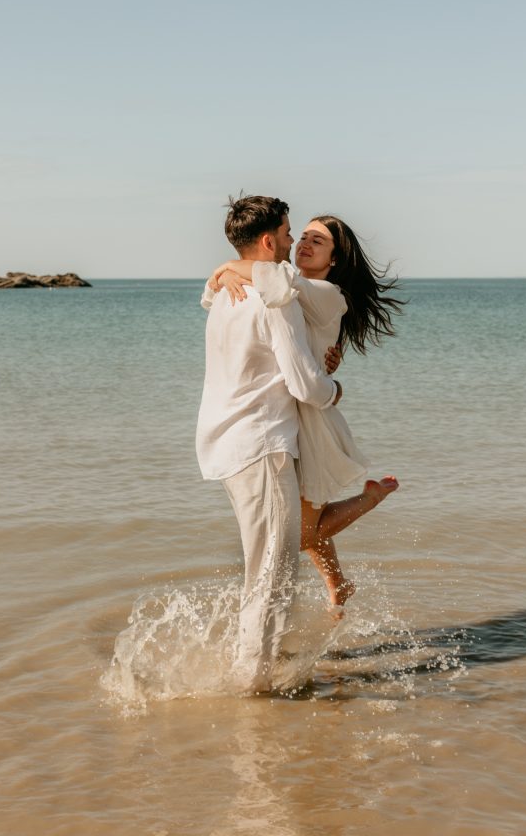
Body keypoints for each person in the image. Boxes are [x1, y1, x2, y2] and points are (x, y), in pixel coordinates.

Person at [208, 214, 404, 613]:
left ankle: (370, 497)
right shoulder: (291, 287)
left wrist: (227, 266)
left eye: (319, 241)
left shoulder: (328, 292)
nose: (305, 244)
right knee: (302, 511)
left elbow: (274, 280)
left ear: (335, 259)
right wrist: (224, 276)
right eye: (305, 237)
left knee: (295, 534)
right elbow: (225, 293)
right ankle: (337, 584)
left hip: (312, 419)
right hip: (288, 413)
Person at [196, 196, 343, 693]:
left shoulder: (222, 295)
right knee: (272, 576)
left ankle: (257, 669)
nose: (290, 242)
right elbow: (305, 384)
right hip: (262, 446)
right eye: (285, 234)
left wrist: (224, 271)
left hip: (227, 446)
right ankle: (252, 690)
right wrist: (335, 389)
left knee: (264, 569)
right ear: (266, 241)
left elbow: (215, 287)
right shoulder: (271, 300)